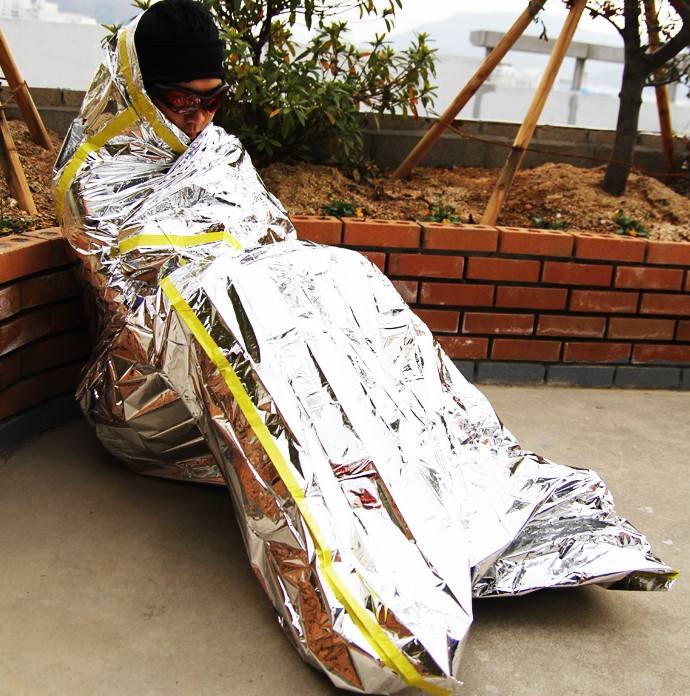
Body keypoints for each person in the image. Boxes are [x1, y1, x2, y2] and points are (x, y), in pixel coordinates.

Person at [53, 2, 674, 693]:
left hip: (233, 339)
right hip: (151, 395)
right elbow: (145, 304)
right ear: (140, 92)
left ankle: (464, 504)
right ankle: (362, 585)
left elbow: (272, 244)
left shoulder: (217, 152)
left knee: (341, 272)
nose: (200, 119)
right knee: (234, 301)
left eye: (214, 100)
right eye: (180, 102)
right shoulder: (95, 173)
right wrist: (240, 274)